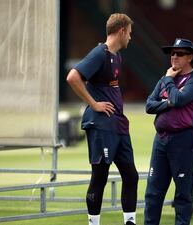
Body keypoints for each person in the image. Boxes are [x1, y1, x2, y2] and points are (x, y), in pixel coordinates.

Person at [66, 13, 138, 225]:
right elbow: (73, 77)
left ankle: (130, 222)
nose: (130, 38)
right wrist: (94, 104)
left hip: (118, 124)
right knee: (100, 177)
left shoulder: (117, 56)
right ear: (121, 31)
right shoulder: (99, 53)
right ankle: (93, 223)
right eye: (130, 33)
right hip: (101, 125)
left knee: (131, 175)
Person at [144, 38, 193, 225]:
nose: (174, 57)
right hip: (161, 139)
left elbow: (178, 99)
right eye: (172, 53)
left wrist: (169, 82)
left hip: (185, 139)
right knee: (153, 191)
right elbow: (149, 105)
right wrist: (167, 102)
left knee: (183, 193)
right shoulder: (166, 78)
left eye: (179, 53)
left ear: (190, 57)